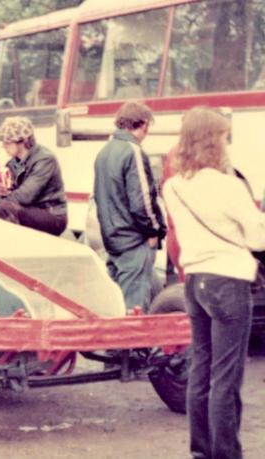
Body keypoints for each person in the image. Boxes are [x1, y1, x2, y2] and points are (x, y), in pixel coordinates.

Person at [162, 107, 265, 459]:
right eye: (223, 135)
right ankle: (226, 454)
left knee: (201, 370)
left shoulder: (173, 186)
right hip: (228, 283)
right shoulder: (228, 186)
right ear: (212, 141)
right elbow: (258, 238)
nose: (226, 141)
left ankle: (201, 451)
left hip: (196, 282)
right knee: (227, 376)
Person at [93, 101, 166, 312]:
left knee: (116, 306)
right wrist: (155, 230)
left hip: (113, 240)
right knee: (134, 307)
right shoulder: (133, 151)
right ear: (143, 124)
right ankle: (131, 346)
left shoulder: (104, 152)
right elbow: (142, 200)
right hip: (134, 240)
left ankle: (114, 345)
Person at [0, 116, 67, 236]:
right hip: (30, 211)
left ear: (23, 141)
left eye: (7, 142)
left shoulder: (45, 159)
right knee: (1, 207)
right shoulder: (12, 164)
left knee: (5, 207)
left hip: (52, 214)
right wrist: (0, 197)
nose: (3, 146)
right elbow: (10, 195)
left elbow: (25, 195)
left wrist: (0, 202)